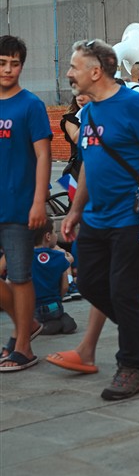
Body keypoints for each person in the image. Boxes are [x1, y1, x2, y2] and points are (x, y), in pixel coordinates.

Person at [61, 39, 139, 400]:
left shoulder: (133, 104)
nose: (69, 73)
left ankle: (131, 367)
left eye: (74, 67)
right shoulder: (89, 112)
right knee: (90, 284)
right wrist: (76, 209)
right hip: (95, 216)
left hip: (130, 214)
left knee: (123, 291)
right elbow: (88, 165)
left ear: (95, 72)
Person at [0, 35, 52, 372]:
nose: (8, 69)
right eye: (2, 63)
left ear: (22, 66)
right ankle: (27, 324)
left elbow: (44, 155)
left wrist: (38, 201)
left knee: (19, 277)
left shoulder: (31, 105)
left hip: (19, 206)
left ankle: (23, 347)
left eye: (14, 64)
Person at [31, 221, 77, 335]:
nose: (56, 235)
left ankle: (44, 326)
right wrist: (58, 299)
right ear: (48, 236)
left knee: (34, 320)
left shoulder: (27, 257)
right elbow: (65, 286)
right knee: (60, 315)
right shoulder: (59, 257)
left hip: (36, 309)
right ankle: (62, 320)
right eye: (55, 232)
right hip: (56, 306)